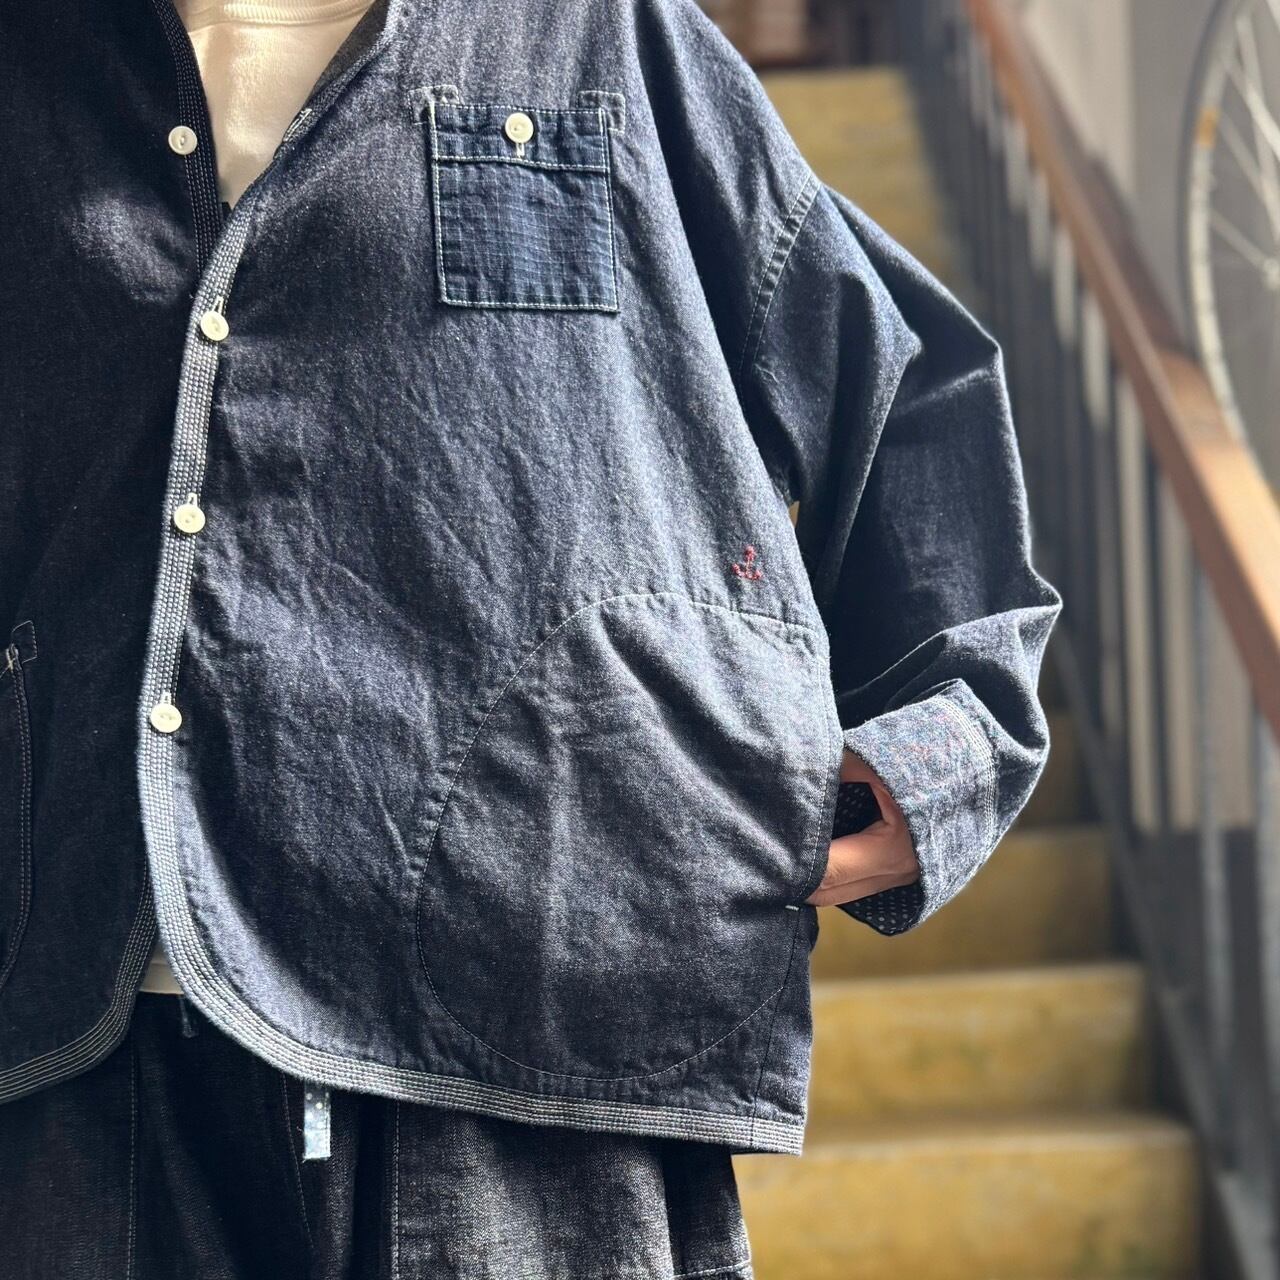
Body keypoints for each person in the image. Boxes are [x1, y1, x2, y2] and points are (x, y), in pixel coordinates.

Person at [0, 0, 1063, 1275]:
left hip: (532, 993)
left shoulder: (599, 37)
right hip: (83, 1017)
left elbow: (898, 376)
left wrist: (941, 744)